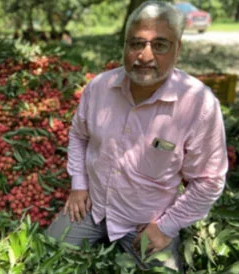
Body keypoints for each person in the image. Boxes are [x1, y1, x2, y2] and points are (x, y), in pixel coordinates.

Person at [46, 1, 228, 272]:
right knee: (46, 253)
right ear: (124, 47)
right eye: (136, 44)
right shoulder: (99, 89)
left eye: (160, 45)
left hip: (146, 223)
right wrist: (79, 184)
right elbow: (78, 135)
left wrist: (166, 227)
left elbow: (209, 180)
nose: (145, 56)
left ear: (178, 49)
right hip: (93, 208)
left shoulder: (198, 104)